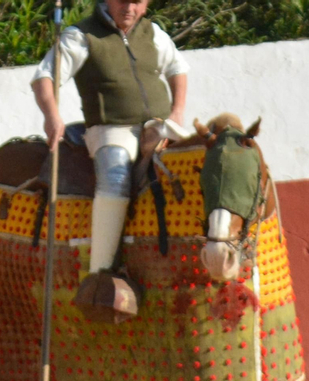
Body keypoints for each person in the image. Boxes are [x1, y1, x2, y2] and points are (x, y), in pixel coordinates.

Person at [31, 0, 191, 291]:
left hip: (157, 124)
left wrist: (177, 112)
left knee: (191, 161)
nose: (129, 8)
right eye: (122, 0)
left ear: (146, 4)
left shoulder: (153, 32)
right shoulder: (81, 35)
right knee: (116, 174)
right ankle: (101, 274)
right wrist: (51, 116)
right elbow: (44, 77)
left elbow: (177, 67)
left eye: (136, 2)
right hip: (111, 129)